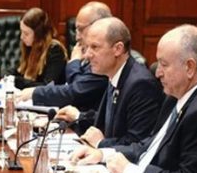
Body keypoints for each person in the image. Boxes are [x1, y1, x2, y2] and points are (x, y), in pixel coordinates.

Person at [73, 25, 197, 173]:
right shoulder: (175, 97)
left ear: (189, 67)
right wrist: (103, 154)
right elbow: (149, 146)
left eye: (164, 65)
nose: (157, 73)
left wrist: (128, 171)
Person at [56, 17, 163, 147]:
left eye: (95, 47)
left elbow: (138, 143)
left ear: (118, 49)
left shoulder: (141, 85)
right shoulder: (114, 74)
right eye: (88, 47)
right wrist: (78, 116)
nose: (87, 55)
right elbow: (110, 121)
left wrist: (101, 143)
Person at [17, 1, 110, 113]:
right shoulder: (84, 52)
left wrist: (74, 62)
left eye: (80, 29)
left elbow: (76, 91)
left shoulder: (103, 60)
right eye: (76, 29)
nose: (77, 37)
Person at [8, 7, 67, 90]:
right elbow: (18, 71)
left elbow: (47, 87)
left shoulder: (55, 50)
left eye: (26, 33)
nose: (21, 37)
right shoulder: (29, 46)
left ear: (38, 34)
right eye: (21, 32)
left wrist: (17, 81)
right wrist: (6, 75)